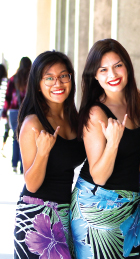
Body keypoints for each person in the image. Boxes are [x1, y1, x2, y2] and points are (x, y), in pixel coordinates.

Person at [70, 39, 140, 259]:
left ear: (128, 67)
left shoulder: (136, 105)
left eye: (118, 65)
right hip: (97, 210)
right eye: (103, 69)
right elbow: (99, 176)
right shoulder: (96, 113)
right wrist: (113, 142)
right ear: (94, 76)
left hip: (129, 211)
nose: (112, 74)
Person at [13, 51, 85, 259]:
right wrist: (43, 152)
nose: (58, 83)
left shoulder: (73, 118)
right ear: (37, 84)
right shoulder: (33, 123)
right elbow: (32, 185)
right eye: (49, 78)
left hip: (64, 214)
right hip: (37, 217)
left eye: (63, 75)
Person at [3, 57, 31, 173]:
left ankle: (14, 164)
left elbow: (8, 98)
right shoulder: (31, 79)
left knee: (16, 137)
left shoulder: (13, 79)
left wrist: (4, 112)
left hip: (14, 112)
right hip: (27, 112)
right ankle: (22, 167)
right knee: (25, 139)